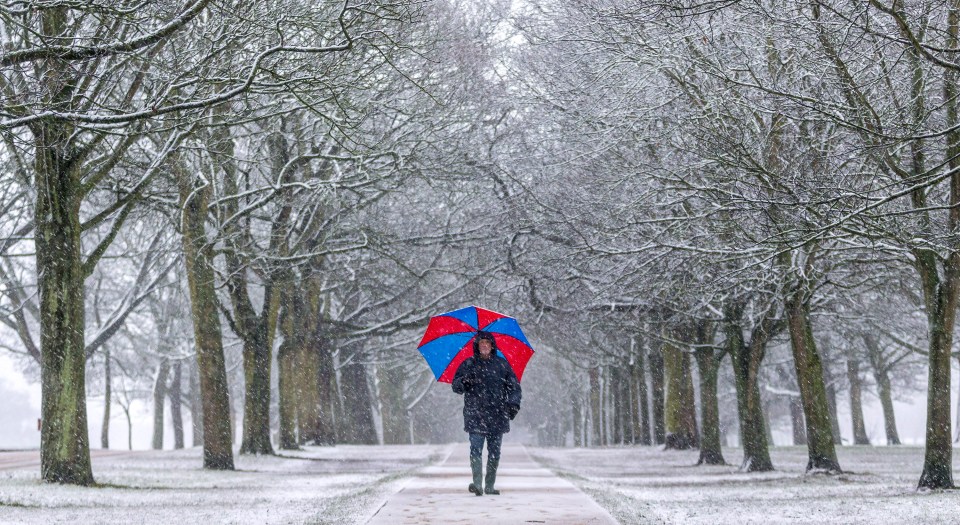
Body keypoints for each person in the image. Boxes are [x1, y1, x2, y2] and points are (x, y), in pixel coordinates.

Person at [452, 330, 522, 496]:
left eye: (487, 343)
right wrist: (464, 381)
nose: (484, 345)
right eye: (481, 343)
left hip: (497, 415)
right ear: (476, 346)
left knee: (495, 451)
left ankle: (489, 485)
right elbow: (456, 387)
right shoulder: (468, 365)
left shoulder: (502, 365)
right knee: (475, 449)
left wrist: (513, 405)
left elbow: (514, 388)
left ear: (492, 346)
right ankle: (477, 484)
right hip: (475, 414)